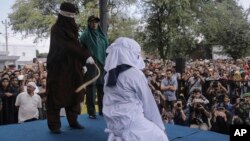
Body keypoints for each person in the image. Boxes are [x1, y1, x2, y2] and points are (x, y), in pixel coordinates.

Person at [103, 37, 168, 141]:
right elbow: (148, 103)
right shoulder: (134, 74)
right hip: (132, 125)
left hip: (114, 126)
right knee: (160, 137)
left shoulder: (108, 75)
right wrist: (160, 127)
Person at [46, 2, 94, 134]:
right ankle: (54, 125)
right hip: (59, 69)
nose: (73, 19)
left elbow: (74, 46)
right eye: (71, 16)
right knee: (57, 95)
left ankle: (73, 121)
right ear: (64, 16)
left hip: (73, 68)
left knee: (75, 94)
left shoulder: (71, 29)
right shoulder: (56, 29)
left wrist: (81, 63)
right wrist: (85, 56)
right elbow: (69, 47)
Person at [80, 15, 109, 119]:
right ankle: (91, 112)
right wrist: (87, 56)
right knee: (91, 87)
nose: (94, 24)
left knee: (102, 86)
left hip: (102, 63)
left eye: (96, 22)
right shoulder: (85, 35)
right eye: (92, 22)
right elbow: (80, 48)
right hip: (91, 63)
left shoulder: (102, 35)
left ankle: (102, 110)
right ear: (89, 23)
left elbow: (107, 48)